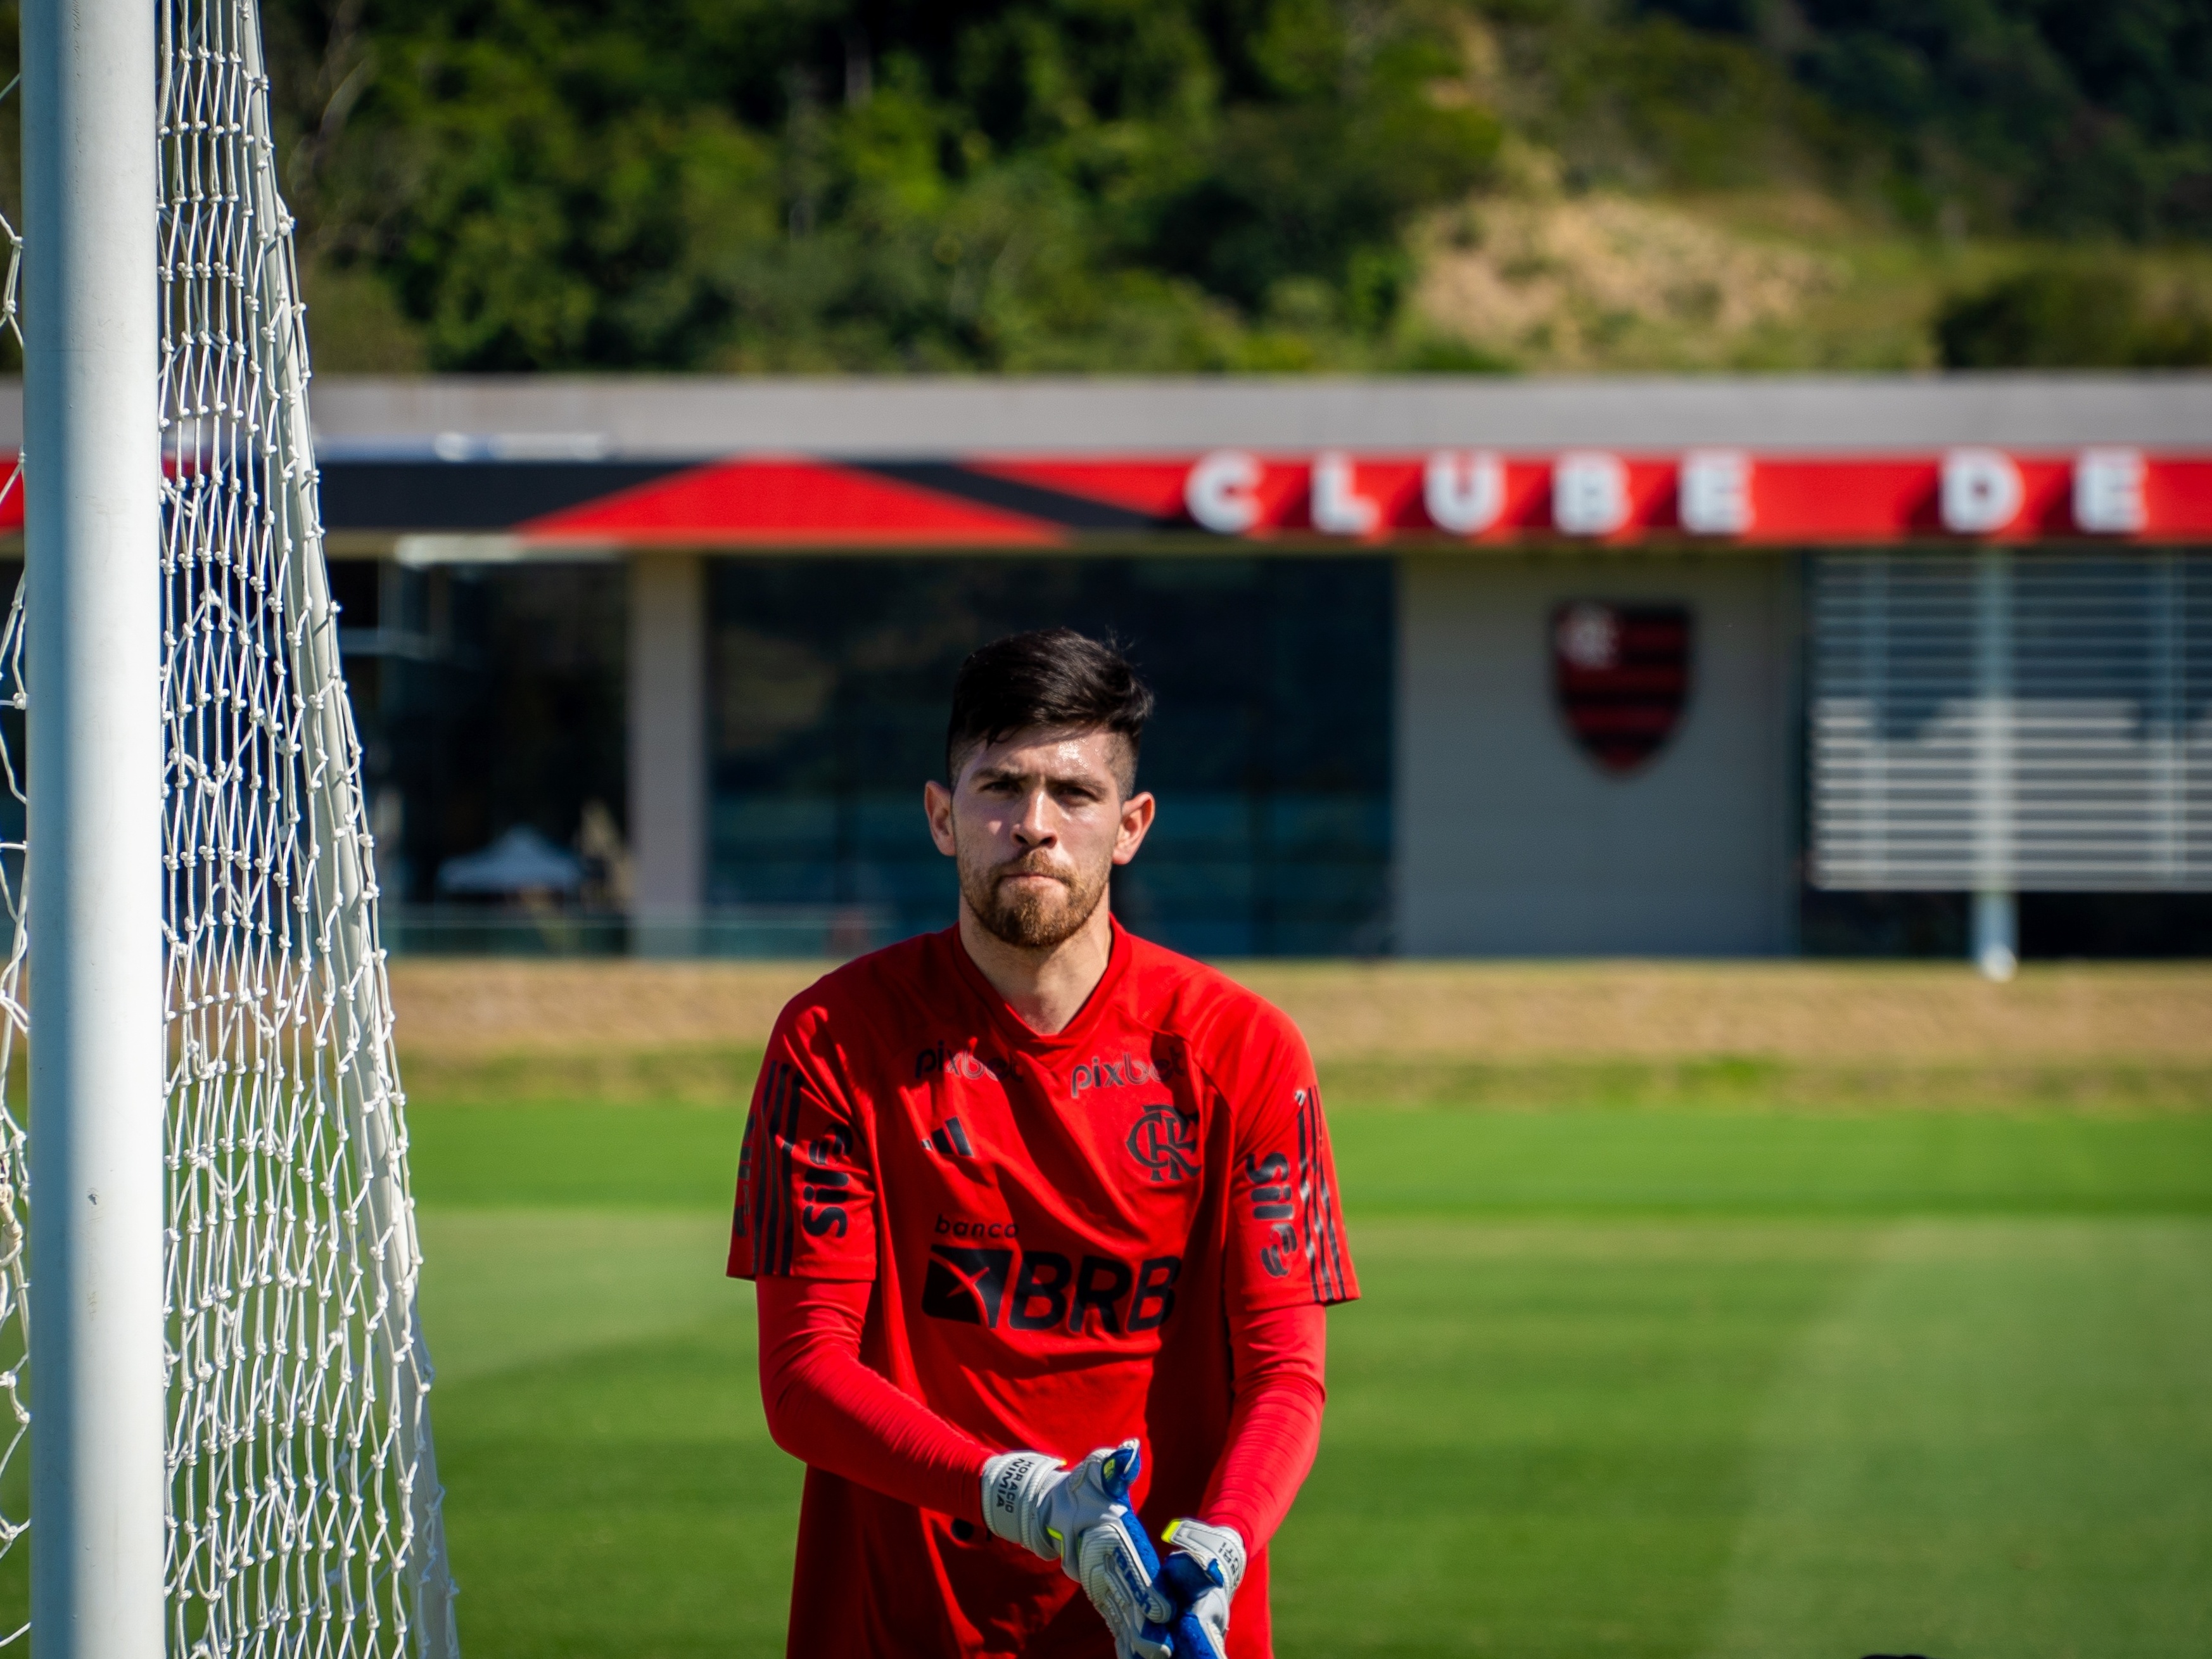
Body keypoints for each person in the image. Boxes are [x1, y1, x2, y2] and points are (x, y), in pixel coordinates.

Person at [727, 628, 1358, 1658]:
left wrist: (1225, 1546)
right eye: (999, 788)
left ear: (1131, 825)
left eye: (1074, 793)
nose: (1033, 826)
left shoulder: (1244, 1050)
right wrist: (1022, 1496)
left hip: (1164, 1622)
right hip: (902, 1626)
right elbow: (804, 1378)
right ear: (942, 816)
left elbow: (1285, 1376)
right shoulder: (835, 1039)